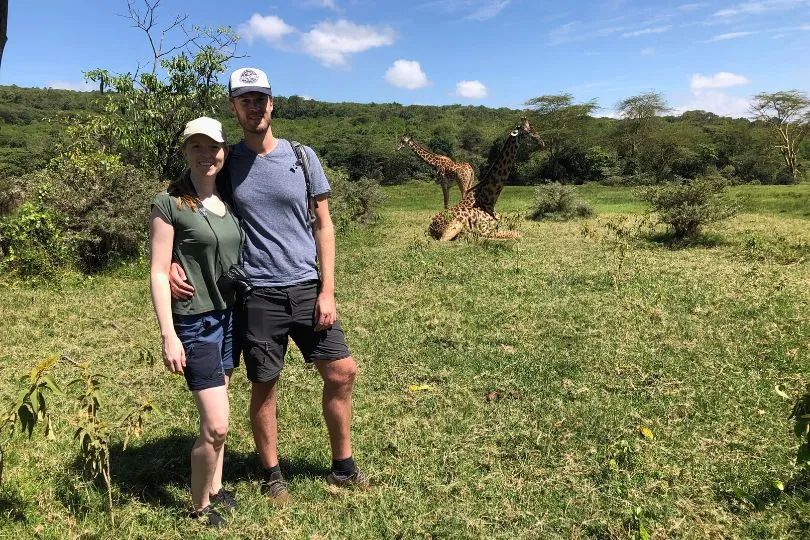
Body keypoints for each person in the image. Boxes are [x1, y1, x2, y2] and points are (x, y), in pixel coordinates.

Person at [169, 67, 367, 503]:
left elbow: (324, 224)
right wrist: (167, 261)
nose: (254, 107)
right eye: (244, 100)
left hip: (306, 286)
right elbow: (182, 200)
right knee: (265, 382)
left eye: (260, 98)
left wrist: (327, 289)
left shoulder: (302, 156)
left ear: (272, 103)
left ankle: (343, 466)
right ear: (234, 108)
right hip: (257, 292)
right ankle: (271, 473)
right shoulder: (227, 160)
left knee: (342, 371)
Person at [149, 117, 242, 527]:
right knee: (218, 424)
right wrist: (168, 334)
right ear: (185, 151)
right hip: (194, 323)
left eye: (214, 147)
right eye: (197, 147)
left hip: (229, 317)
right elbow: (155, 270)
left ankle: (216, 488)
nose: (207, 155)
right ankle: (199, 506)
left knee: (216, 411)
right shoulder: (169, 202)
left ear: (224, 151)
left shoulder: (229, 200)